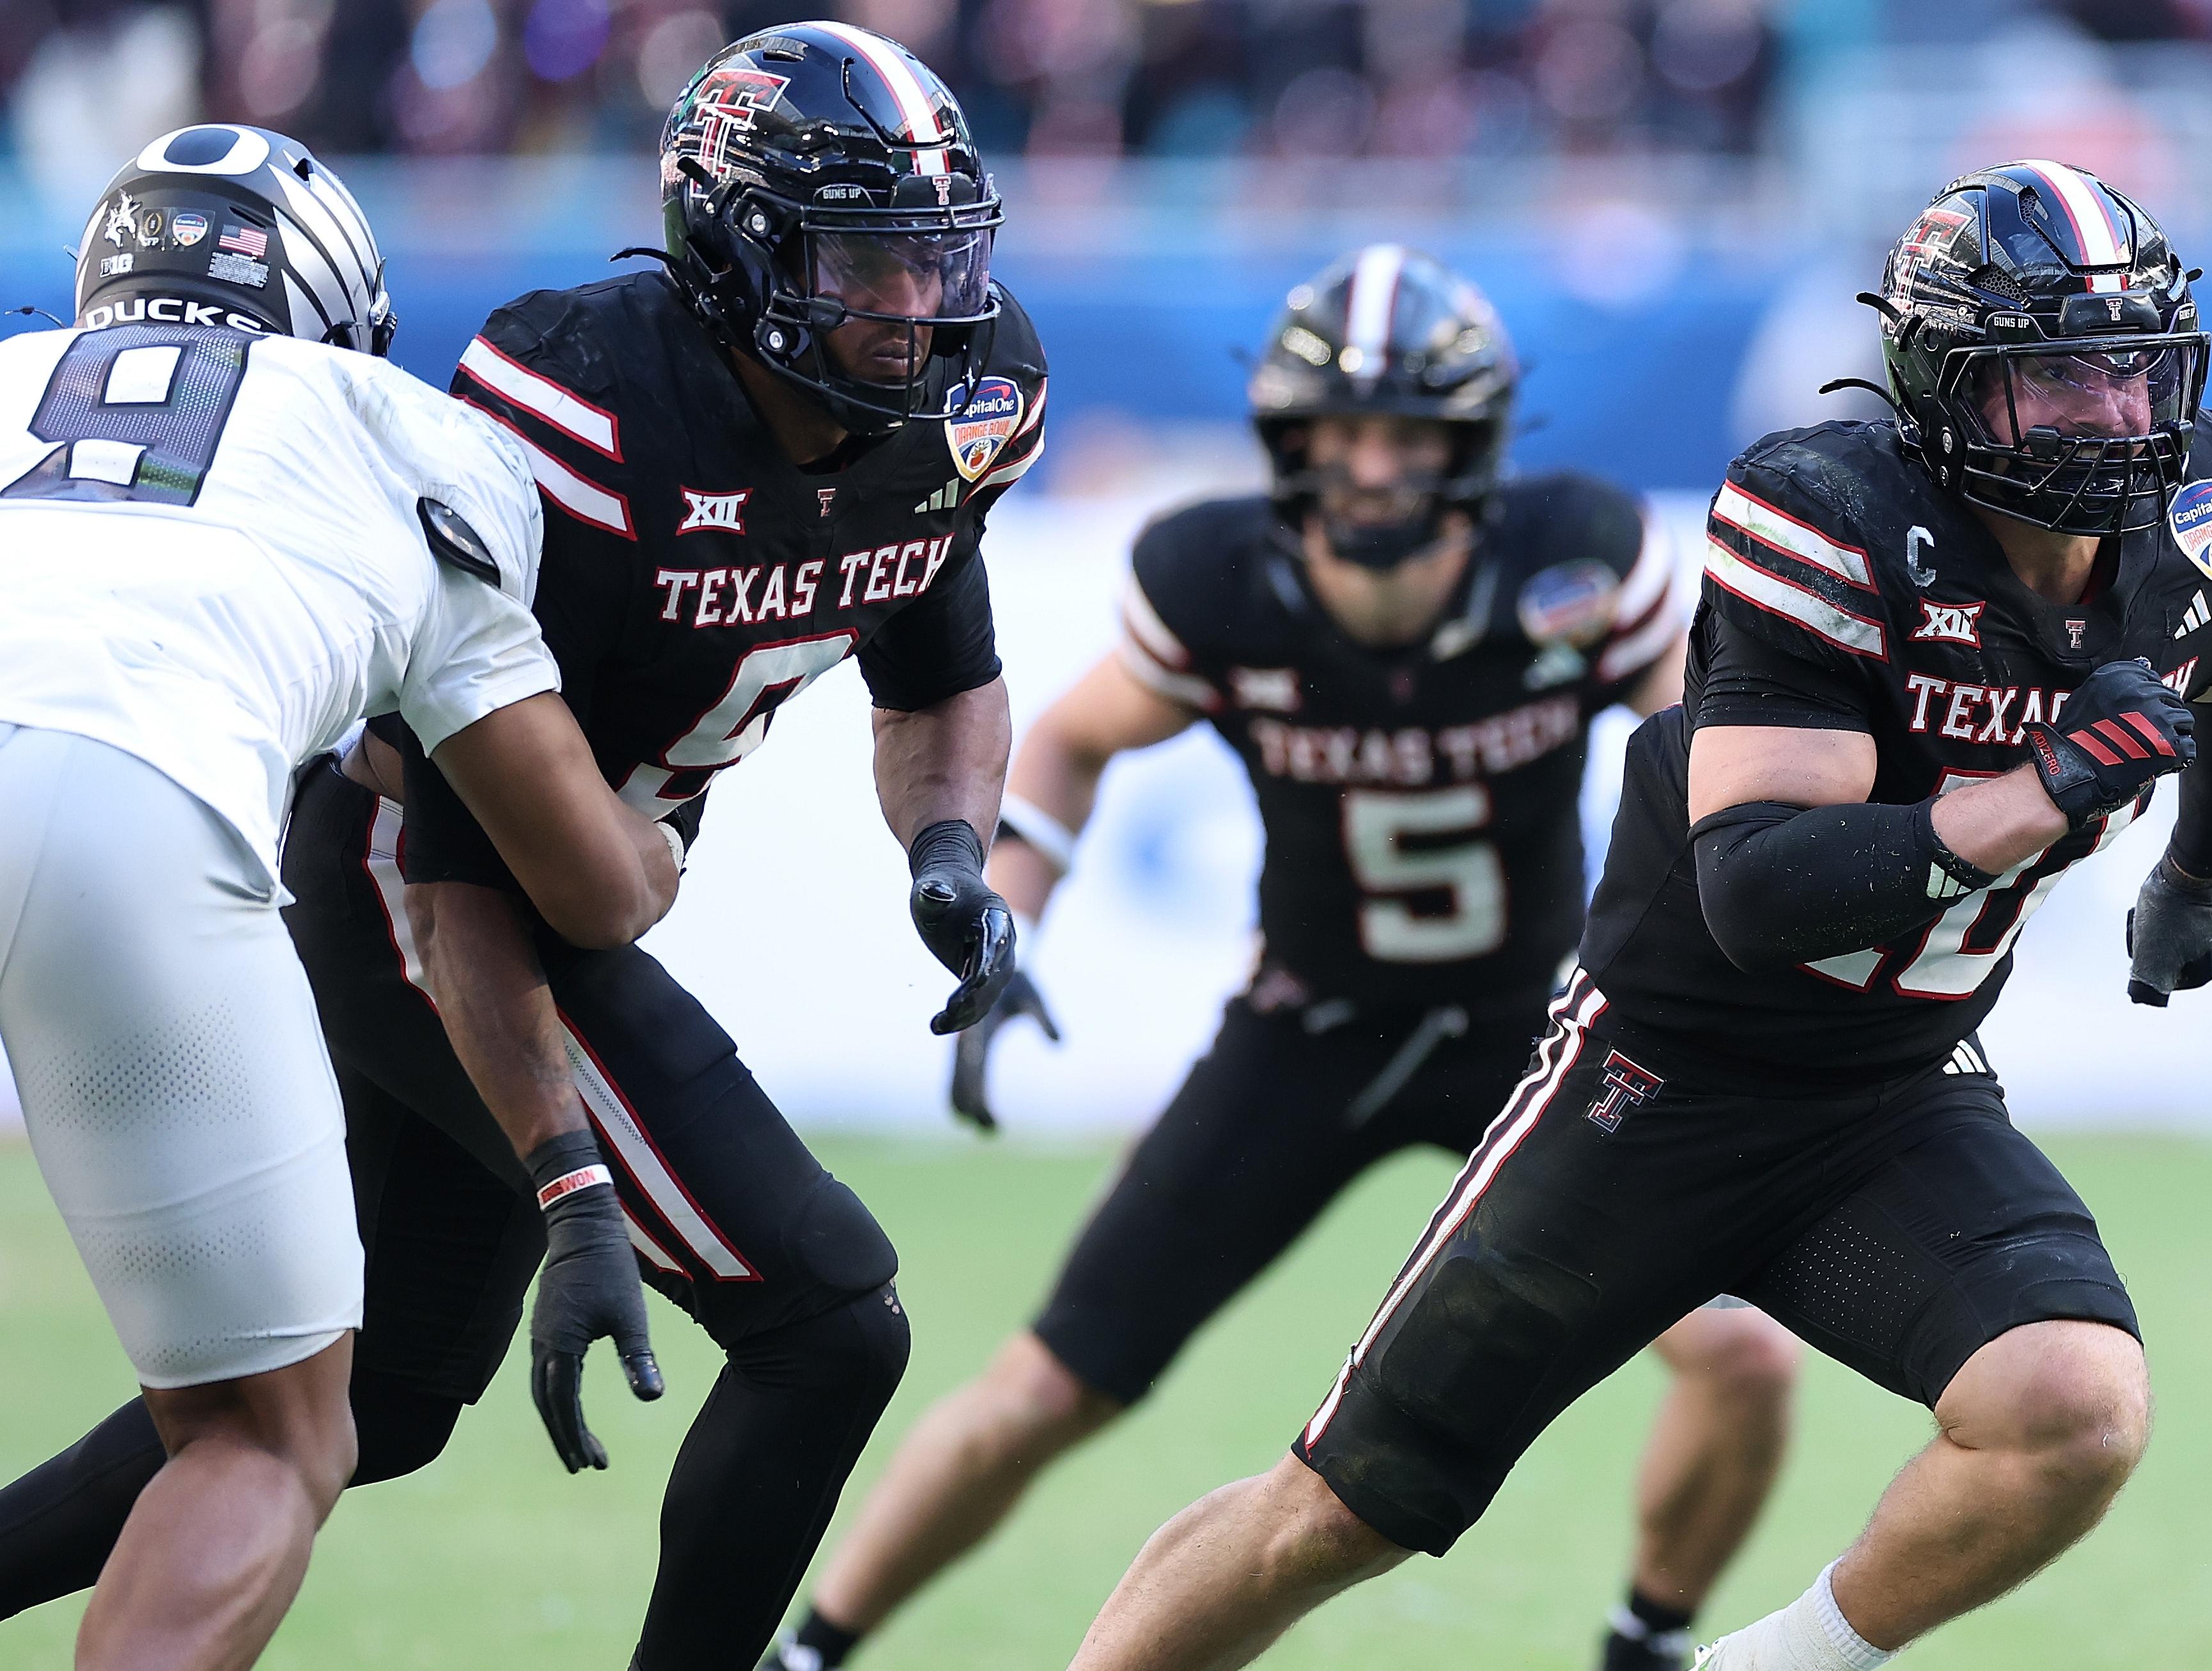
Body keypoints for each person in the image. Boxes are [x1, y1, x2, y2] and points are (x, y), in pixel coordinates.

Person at [1051, 160, 2212, 1671]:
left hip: (1895, 1085)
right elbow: (1761, 885)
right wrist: (2042, 787)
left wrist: (2194, 875)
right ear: (1946, 385)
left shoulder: (2196, 510)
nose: (2108, 415)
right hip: (1663, 1078)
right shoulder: (1831, 509)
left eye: (2129, 368)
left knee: (2071, 1407)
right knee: (1343, 1508)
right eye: (2051, 375)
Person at [0, 24, 1045, 1670]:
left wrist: (949, 851)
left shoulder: (960, 403)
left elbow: (945, 673)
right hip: (421, 878)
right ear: (744, 245)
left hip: (531, 884)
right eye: (862, 261)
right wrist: (564, 1170)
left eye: (933, 261)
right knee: (829, 1317)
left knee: (372, 1399)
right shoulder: (576, 404)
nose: (912, 311)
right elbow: (463, 851)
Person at [763, 247, 1800, 1671]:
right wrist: (1014, 907)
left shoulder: (1575, 561)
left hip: (1542, 1030)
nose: (1373, 469)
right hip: (1305, 1029)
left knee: (1743, 1350)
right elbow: (1069, 737)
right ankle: (812, 1649)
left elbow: (1719, 759)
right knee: (1049, 1384)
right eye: (1342, 433)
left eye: (1409, 435)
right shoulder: (1215, 579)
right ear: (1288, 442)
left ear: (1474, 446)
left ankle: (1648, 1640)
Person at [0, 124, 681, 1670]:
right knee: (264, 1433)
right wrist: (652, 854)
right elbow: (574, 870)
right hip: (119, 796)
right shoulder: (395, 426)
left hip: (103, 769)